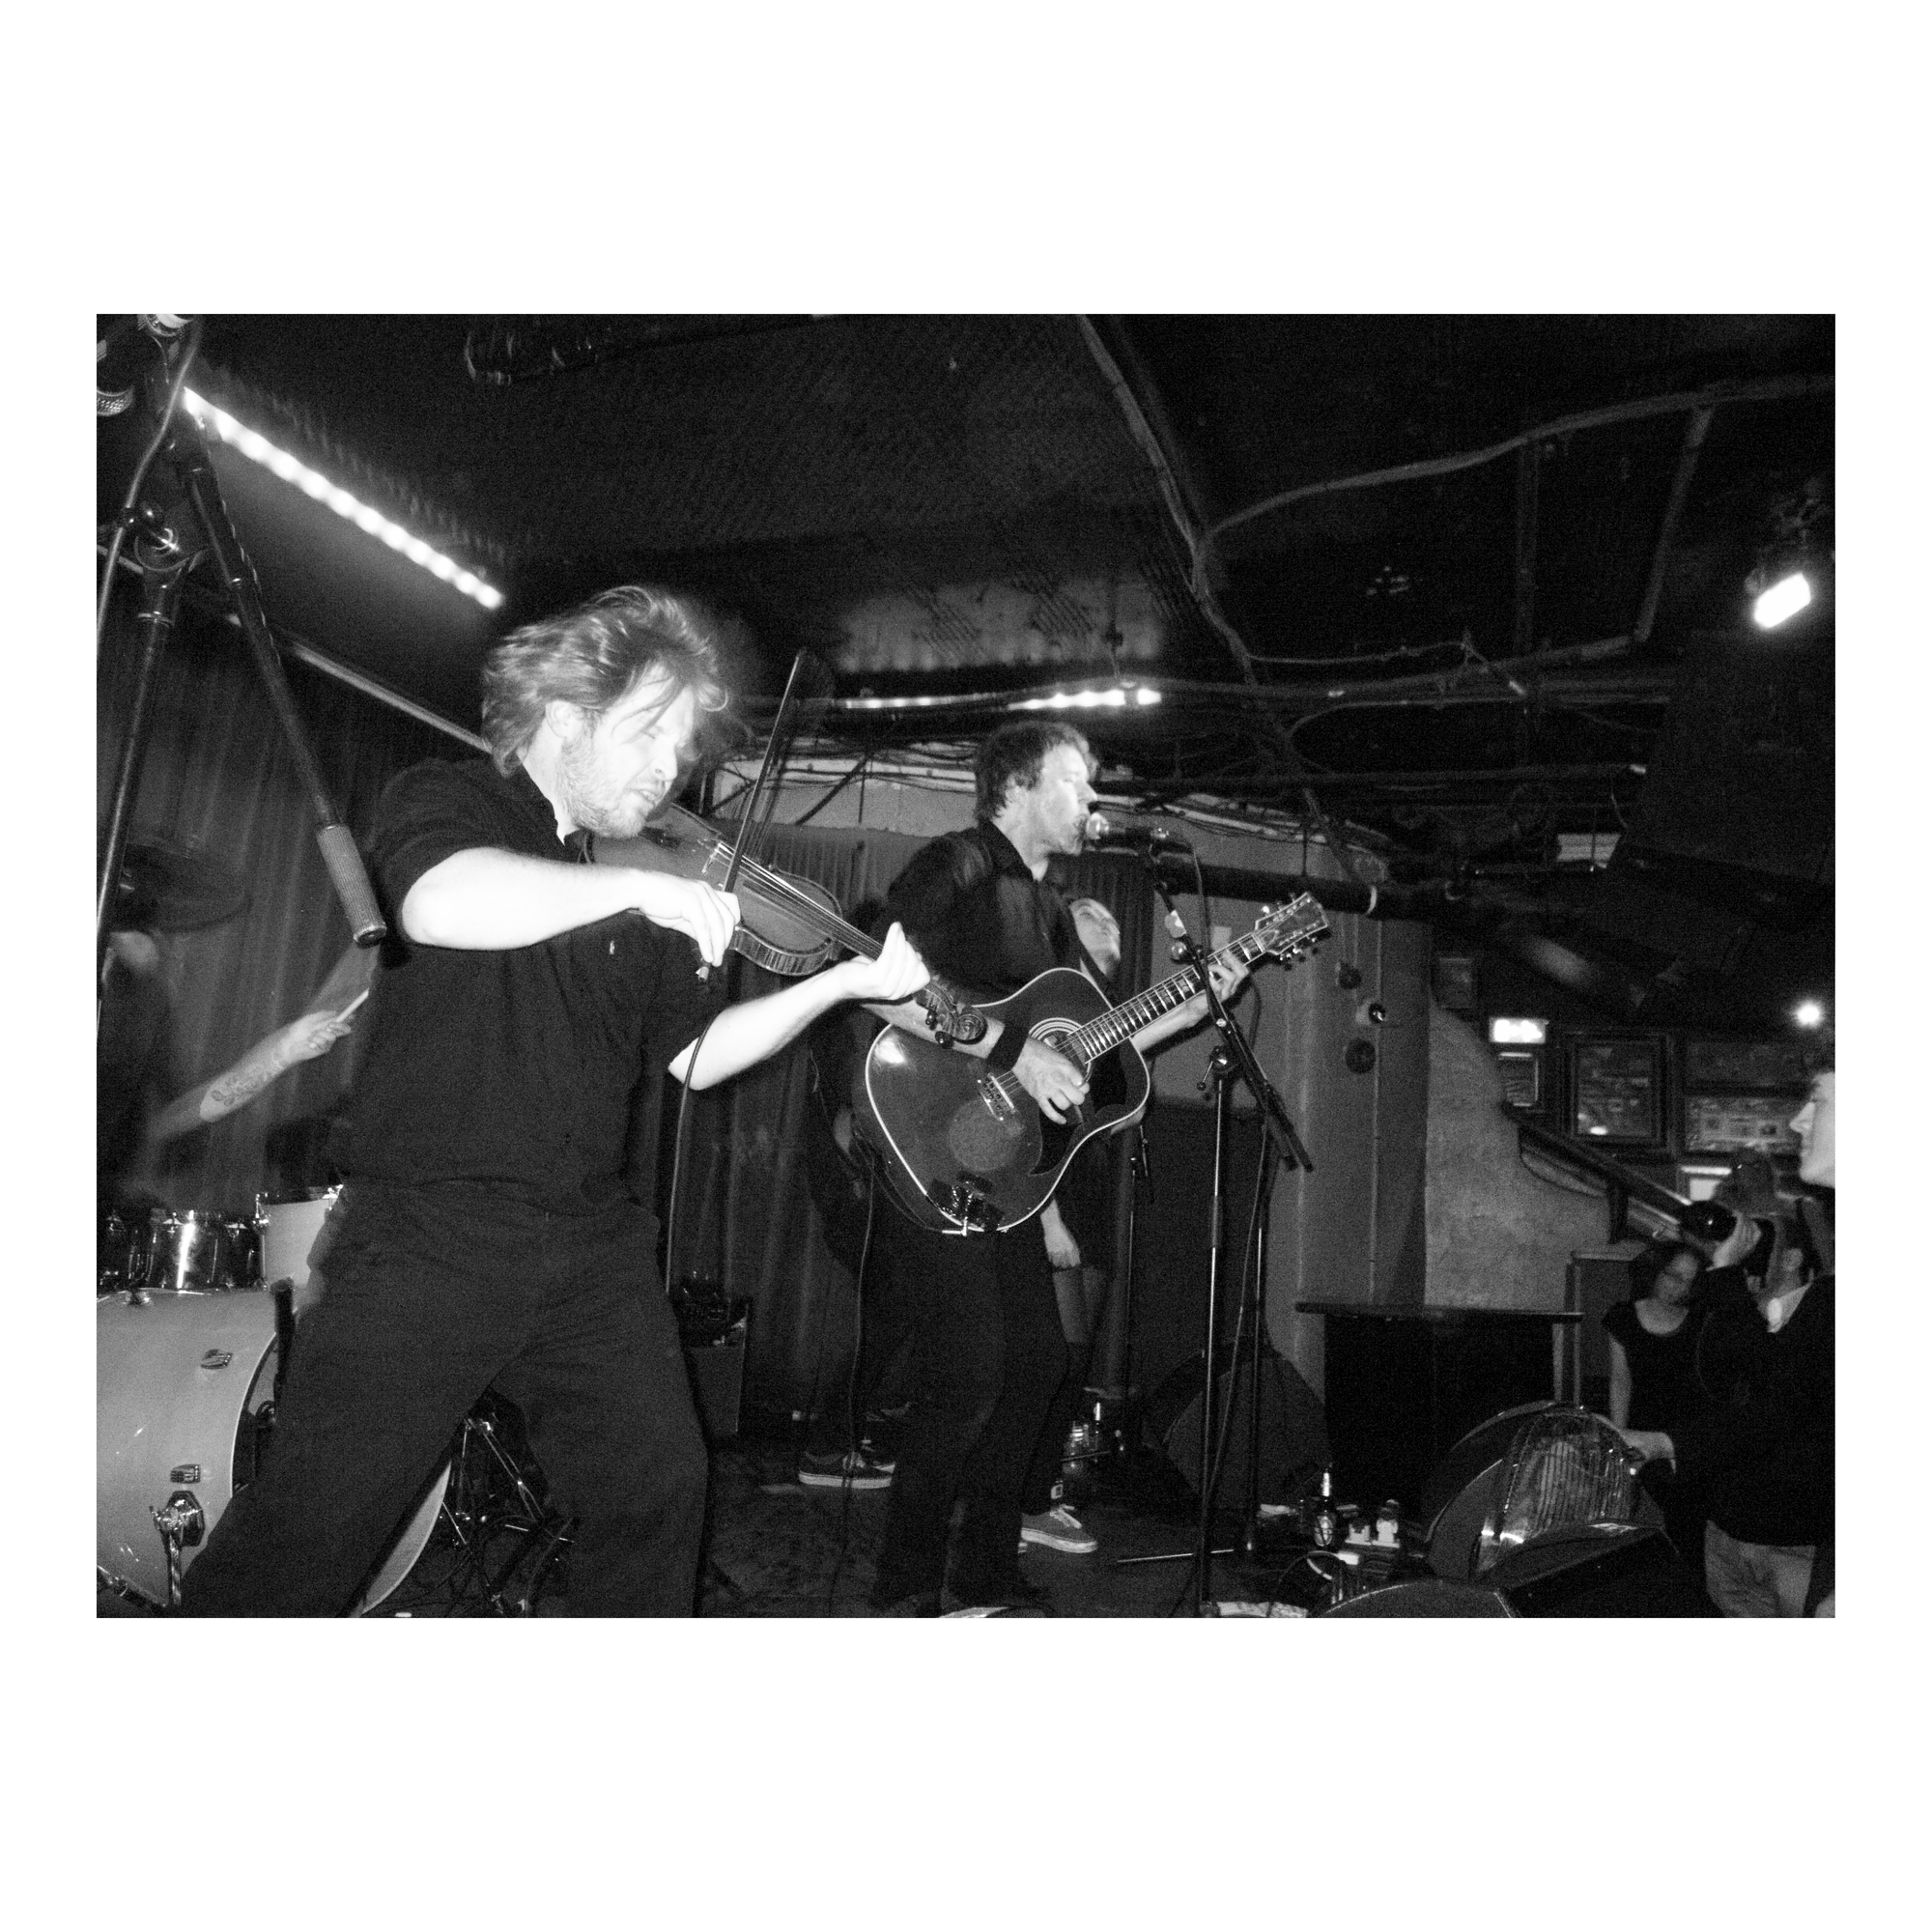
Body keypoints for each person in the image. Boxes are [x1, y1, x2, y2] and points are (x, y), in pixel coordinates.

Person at [178, 583, 926, 1616]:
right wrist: (641, 890)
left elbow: (698, 1058)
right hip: (430, 1234)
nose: (670, 767)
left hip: (587, 1245)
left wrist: (840, 987)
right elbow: (438, 903)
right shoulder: (451, 800)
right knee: (307, 1535)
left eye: (681, 745)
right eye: (647, 731)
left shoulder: (637, 882)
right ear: (566, 715)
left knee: (656, 1491)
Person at [859, 723, 1241, 1613]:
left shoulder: (1054, 915)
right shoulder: (956, 865)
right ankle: (903, 1594)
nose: (1093, 801)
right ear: (1019, 786)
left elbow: (1085, 1048)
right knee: (968, 1375)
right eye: (1077, 782)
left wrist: (1190, 1008)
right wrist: (1010, 1053)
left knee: (1036, 1362)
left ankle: (984, 1576)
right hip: (928, 1135)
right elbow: (880, 976)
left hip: (1008, 1170)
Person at [1615, 1106, 1834, 1618]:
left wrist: (1728, 1275)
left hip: (1793, 1542)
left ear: (1794, 1257)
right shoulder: (1735, 1315)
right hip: (1727, 1531)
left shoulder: (1823, 1311)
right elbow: (1727, 1398)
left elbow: (1773, 1396)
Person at [1017, 896, 1125, 1557]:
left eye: (1113, 919)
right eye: (1092, 914)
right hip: (1049, 1201)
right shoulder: (1050, 1004)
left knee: (1073, 1361)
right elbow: (1030, 1128)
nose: (1108, 921)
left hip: (1090, 1195)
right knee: (1055, 1358)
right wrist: (1050, 1221)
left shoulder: (1103, 1015)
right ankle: (1021, 1503)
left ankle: (1033, 1497)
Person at [1602, 1239, 1710, 1590]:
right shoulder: (1623, 1317)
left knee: (1687, 1532)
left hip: (1685, 1438)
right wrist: (1619, 1438)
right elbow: (1621, 1381)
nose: (1679, 1287)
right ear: (1656, 1272)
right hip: (1640, 1432)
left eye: (1689, 1281)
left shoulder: (1702, 1321)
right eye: (1673, 1276)